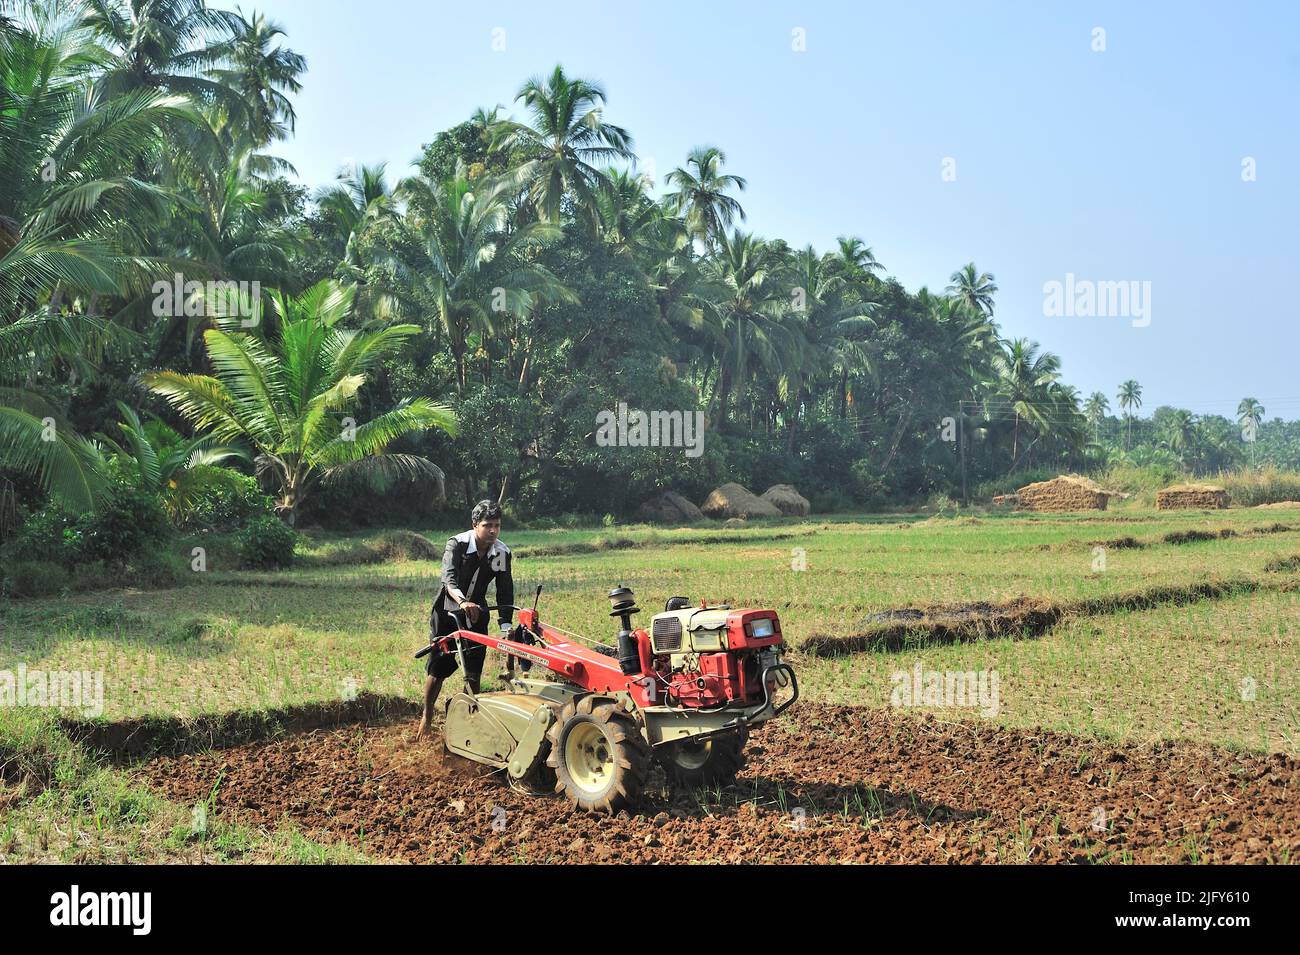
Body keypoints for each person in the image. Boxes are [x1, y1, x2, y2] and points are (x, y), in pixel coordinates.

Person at [416, 500, 514, 739]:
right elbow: (448, 579)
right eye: (487, 525)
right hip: (448, 612)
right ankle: (427, 716)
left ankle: (467, 724)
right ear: (474, 525)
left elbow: (504, 589)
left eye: (497, 525)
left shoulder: (501, 552)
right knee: (438, 667)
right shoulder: (457, 545)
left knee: (473, 671)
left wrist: (505, 624)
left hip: (477, 614)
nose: (493, 530)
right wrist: (462, 602)